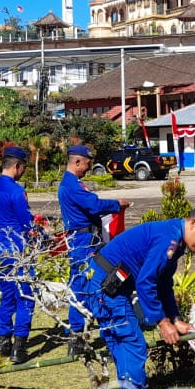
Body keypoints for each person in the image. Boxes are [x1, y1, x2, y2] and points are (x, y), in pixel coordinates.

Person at [78, 204, 195, 389]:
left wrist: (175, 318)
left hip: (109, 285)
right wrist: (163, 323)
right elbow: (145, 283)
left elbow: (163, 283)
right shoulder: (169, 240)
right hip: (105, 287)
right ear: (194, 223)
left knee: (123, 344)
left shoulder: (176, 238)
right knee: (132, 344)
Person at [58, 144, 130, 353]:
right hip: (83, 240)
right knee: (85, 285)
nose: (88, 168)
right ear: (77, 162)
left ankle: (78, 335)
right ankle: (78, 336)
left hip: (84, 238)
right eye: (86, 164)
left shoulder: (73, 183)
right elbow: (94, 206)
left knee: (83, 284)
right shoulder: (72, 186)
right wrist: (117, 204)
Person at [0, 146, 37, 364]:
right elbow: (27, 224)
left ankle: (3, 342)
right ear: (17, 166)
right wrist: (41, 233)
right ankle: (19, 346)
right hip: (20, 250)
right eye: (23, 168)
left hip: (0, 249)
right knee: (25, 297)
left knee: (6, 296)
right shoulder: (17, 192)